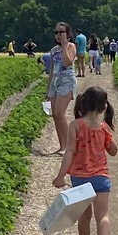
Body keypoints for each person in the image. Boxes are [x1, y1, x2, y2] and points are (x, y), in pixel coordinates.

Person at [55, 86, 118, 235]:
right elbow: (113, 152)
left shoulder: (75, 126)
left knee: (84, 217)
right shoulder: (103, 127)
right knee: (103, 215)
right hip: (101, 177)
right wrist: (110, 140)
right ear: (103, 107)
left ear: (83, 103)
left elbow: (69, 152)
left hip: (80, 178)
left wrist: (60, 175)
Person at [43, 22, 78, 155]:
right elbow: (51, 70)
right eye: (56, 32)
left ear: (68, 34)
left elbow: (67, 62)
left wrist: (64, 46)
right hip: (55, 82)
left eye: (61, 32)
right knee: (55, 116)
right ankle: (62, 146)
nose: (58, 35)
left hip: (67, 80)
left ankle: (68, 147)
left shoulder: (71, 46)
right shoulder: (53, 50)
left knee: (60, 114)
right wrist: (48, 89)